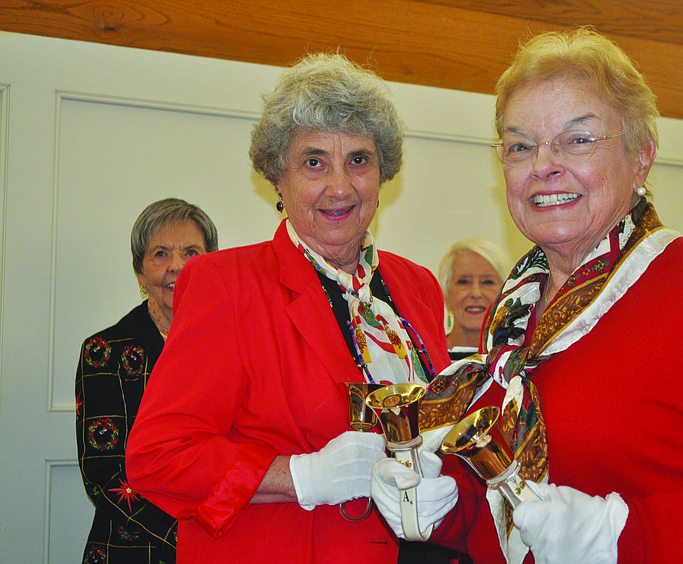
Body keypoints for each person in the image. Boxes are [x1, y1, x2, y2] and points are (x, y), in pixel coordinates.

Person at [371, 27, 683, 564]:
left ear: (642, 157)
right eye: (520, 145)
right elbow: (516, 508)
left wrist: (622, 535)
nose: (543, 164)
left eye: (577, 139)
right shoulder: (516, 306)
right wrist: (444, 506)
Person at [125, 53, 476, 564]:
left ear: (383, 173)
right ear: (278, 179)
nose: (340, 186)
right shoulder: (226, 284)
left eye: (359, 159)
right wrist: (299, 476)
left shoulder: (415, 285)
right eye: (314, 162)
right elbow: (158, 458)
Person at [76, 198, 218, 564]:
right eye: (160, 254)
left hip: (221, 539)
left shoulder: (234, 346)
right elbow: (103, 471)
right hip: (131, 548)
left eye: (191, 252)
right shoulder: (104, 351)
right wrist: (188, 535)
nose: (177, 266)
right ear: (140, 273)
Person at [439, 238, 510, 360]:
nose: (476, 293)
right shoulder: (425, 360)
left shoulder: (520, 361)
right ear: (446, 295)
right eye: (463, 282)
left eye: (487, 282)